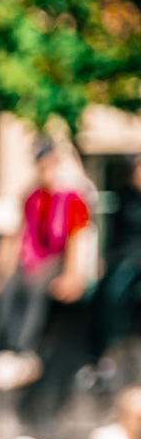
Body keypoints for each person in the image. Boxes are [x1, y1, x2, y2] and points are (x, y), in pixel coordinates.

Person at [0, 138, 94, 392]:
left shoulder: (72, 197)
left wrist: (72, 275)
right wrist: (2, 272)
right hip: (32, 258)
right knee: (10, 288)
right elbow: (18, 234)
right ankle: (6, 347)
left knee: (37, 285)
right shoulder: (33, 196)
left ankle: (26, 350)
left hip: (57, 260)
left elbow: (79, 238)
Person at [84, 154, 141, 389]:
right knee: (97, 294)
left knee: (114, 291)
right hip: (121, 258)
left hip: (135, 262)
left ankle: (105, 354)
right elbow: (115, 238)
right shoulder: (124, 197)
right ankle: (97, 355)